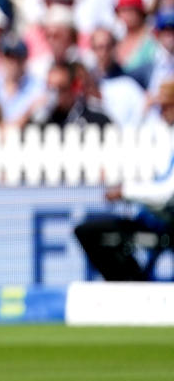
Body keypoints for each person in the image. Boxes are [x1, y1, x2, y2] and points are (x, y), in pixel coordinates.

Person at [74, 81, 174, 281]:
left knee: (91, 234)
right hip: (155, 219)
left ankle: (135, 286)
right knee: (88, 231)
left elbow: (167, 194)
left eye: (165, 106)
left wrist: (126, 191)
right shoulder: (165, 134)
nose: (161, 112)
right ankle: (134, 284)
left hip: (165, 224)